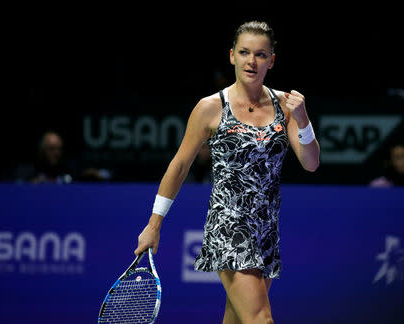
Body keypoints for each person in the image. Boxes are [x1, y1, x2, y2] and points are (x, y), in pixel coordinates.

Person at [134, 21, 320, 324]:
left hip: (266, 229)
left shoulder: (285, 105)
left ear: (271, 60)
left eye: (260, 54)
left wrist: (303, 119)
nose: (251, 61)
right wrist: (154, 224)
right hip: (229, 227)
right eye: (244, 52)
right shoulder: (210, 107)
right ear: (231, 55)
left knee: (236, 319)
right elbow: (179, 165)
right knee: (260, 318)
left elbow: (311, 163)